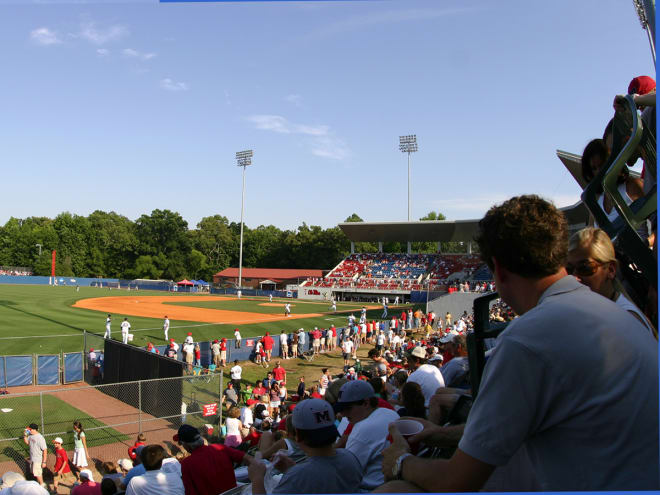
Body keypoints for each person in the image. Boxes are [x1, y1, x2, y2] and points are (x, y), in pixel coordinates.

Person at [380, 195, 659, 492]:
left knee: (393, 491)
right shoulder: (617, 312)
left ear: (498, 269)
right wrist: (438, 434)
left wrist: (400, 462)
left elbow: (456, 481)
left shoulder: (526, 340)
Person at [248, 398, 362, 494]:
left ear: (297, 435)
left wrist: (257, 479)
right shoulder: (350, 458)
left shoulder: (298, 477)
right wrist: (291, 468)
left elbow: (307, 477)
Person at [567, 226, 656, 337]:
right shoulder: (600, 314)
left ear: (611, 269)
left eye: (585, 268)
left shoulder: (625, 320)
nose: (575, 277)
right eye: (569, 269)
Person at [335, 380, 399, 491]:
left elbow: (344, 476)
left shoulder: (361, 430)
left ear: (366, 403)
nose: (343, 414)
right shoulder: (387, 412)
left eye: (348, 408)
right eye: (341, 409)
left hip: (371, 489)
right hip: (391, 484)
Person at [176, 424, 253, 495]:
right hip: (234, 492)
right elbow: (249, 458)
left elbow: (190, 492)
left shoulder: (187, 464)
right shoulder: (220, 448)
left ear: (186, 444)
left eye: (181, 444)